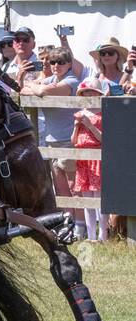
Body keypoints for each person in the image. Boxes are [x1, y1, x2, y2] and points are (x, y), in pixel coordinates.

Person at [22, 47, 81, 233]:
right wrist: (35, 87)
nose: (56, 65)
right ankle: (68, 224)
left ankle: (81, 225)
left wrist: (36, 87)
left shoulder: (72, 80)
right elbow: (23, 90)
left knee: (74, 186)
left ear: (69, 64)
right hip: (51, 140)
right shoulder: (51, 79)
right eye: (52, 62)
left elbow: (43, 92)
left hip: (69, 139)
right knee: (60, 187)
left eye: (61, 62)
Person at [71, 79, 105, 241]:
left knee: (98, 198)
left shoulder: (102, 114)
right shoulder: (80, 113)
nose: (88, 95)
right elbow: (73, 140)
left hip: (97, 157)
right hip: (83, 159)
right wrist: (77, 125)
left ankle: (103, 235)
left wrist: (90, 125)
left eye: (91, 92)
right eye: (85, 93)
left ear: (98, 94)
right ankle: (91, 235)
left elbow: (103, 139)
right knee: (86, 199)